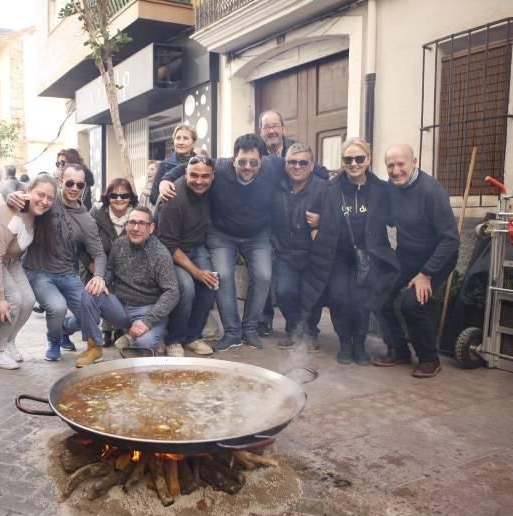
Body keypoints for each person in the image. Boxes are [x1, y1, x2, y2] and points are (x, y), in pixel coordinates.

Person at [159, 133, 280, 352]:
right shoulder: (220, 168)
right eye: (242, 161)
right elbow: (191, 166)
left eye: (253, 162)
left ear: (262, 161)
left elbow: (304, 166)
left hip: (257, 234)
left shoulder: (273, 167)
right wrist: (165, 180)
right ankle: (232, 332)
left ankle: (250, 329)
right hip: (223, 234)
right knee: (220, 277)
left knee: (264, 275)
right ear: (233, 160)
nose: (247, 167)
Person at [303, 137, 396, 366]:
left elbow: (395, 218)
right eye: (348, 159)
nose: (353, 163)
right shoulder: (329, 188)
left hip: (368, 256)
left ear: (368, 159)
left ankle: (359, 345)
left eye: (359, 158)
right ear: (342, 161)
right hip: (337, 255)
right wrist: (318, 234)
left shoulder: (381, 189)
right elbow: (312, 218)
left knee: (362, 300)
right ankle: (345, 343)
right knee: (338, 298)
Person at [372, 144, 459, 378]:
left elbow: (451, 240)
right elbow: (387, 215)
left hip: (437, 258)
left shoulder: (432, 192)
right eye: (390, 165)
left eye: (401, 164)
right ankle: (399, 351)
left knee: (412, 304)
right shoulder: (391, 188)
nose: (396, 170)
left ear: (414, 162)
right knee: (379, 298)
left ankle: (429, 358)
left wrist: (426, 274)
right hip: (406, 256)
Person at [18, 163, 107, 361]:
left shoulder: (87, 220)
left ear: (85, 187)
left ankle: (64, 329)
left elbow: (99, 253)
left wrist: (99, 276)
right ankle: (54, 342)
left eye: (79, 184)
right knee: (57, 307)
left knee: (91, 315)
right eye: (69, 182)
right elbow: (16, 187)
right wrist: (11, 195)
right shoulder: (47, 200)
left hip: (67, 273)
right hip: (37, 270)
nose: (74, 188)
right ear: (61, 182)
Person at [76, 206, 178, 366]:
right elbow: (109, 270)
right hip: (120, 307)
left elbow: (172, 292)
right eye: (131, 222)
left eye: (141, 223)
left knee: (144, 347)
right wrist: (102, 279)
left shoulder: (160, 254)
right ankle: (94, 347)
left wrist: (147, 321)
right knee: (90, 291)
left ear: (151, 228)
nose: (135, 228)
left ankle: (146, 334)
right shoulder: (120, 244)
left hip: (147, 310)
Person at [0, 174, 57, 369]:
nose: (45, 201)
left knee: (28, 300)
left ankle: (7, 342)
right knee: (12, 300)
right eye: (40, 194)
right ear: (29, 190)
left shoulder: (35, 212)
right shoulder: (7, 212)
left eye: (50, 198)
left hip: (10, 260)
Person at [157, 155, 217, 357]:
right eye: (194, 175)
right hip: (169, 251)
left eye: (205, 176)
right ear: (185, 174)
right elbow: (169, 245)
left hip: (196, 247)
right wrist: (196, 272)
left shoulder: (211, 190)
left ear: (213, 177)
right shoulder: (172, 197)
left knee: (211, 282)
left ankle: (193, 336)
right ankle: (174, 339)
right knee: (187, 287)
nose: (199, 181)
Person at [271, 143, 327, 351]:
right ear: (285, 165)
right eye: (292, 162)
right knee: (285, 293)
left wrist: (321, 222)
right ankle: (294, 330)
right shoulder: (276, 187)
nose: (297, 166)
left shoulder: (323, 187)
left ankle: (311, 332)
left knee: (312, 295)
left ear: (311, 165)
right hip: (286, 252)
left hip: (313, 252)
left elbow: (335, 219)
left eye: (302, 162)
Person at [79, 178, 138, 347]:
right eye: (114, 195)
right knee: (101, 287)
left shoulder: (136, 217)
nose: (119, 199)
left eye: (124, 195)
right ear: (107, 197)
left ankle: (117, 327)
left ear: (130, 197)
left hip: (126, 268)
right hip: (95, 266)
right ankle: (105, 330)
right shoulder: (96, 214)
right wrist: (93, 268)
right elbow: (81, 247)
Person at [149, 125, 197, 206]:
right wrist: (167, 195)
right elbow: (153, 197)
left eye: (185, 138)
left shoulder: (201, 164)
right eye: (178, 138)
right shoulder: (165, 165)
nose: (181, 142)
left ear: (193, 143)